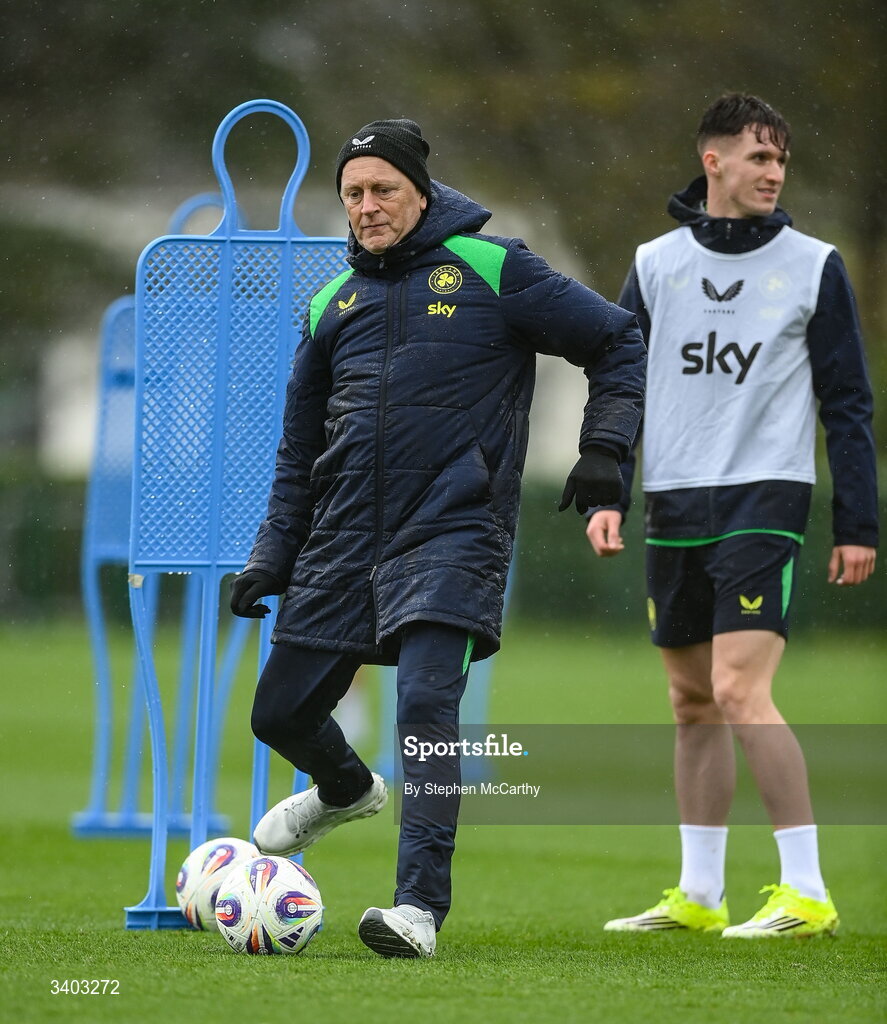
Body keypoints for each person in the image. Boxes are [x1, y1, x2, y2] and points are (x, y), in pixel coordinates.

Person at [231, 117, 646, 957]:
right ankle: (345, 790)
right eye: (353, 193)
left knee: (424, 709)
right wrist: (271, 553)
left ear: (420, 193)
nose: (367, 206)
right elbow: (298, 450)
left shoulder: (493, 267)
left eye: (382, 189)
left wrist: (604, 447)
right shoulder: (329, 304)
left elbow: (615, 338)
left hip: (454, 530)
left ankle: (416, 911)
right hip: (342, 540)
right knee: (277, 714)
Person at [587, 93, 878, 938]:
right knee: (690, 701)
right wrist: (606, 490)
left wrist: (857, 522)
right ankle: (700, 895)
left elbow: (848, 403)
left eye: (780, 159)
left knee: (739, 689)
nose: (773, 172)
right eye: (758, 156)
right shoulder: (654, 263)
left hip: (765, 495)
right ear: (711, 161)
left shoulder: (814, 264)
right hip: (674, 497)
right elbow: (621, 382)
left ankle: (805, 892)